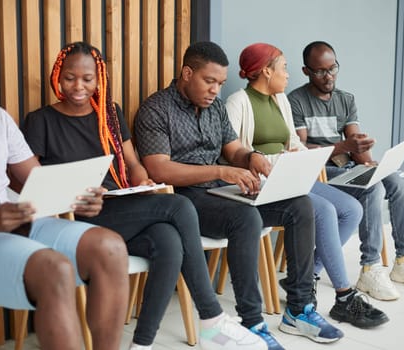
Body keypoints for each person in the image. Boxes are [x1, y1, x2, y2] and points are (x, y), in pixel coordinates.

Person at [22, 41, 268, 350]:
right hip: (77, 216)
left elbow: (133, 163)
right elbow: (32, 182)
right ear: (58, 75)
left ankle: (142, 344)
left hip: (118, 207)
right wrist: (71, 194)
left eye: (87, 78)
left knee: (168, 241)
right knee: (178, 206)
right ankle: (211, 318)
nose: (78, 86)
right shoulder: (40, 121)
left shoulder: (110, 114)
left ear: (99, 79)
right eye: (70, 77)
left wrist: (142, 179)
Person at [134, 40, 345, 347]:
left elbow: (233, 149)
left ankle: (299, 310)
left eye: (220, 83)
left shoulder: (215, 107)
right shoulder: (156, 109)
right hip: (183, 200)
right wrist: (221, 171)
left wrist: (250, 158)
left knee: (299, 206)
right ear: (187, 73)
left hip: (220, 191)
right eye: (209, 82)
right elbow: (159, 170)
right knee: (245, 218)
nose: (215, 91)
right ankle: (252, 322)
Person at [0, 29, 129, 350]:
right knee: (56, 269)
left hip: (21, 226)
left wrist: (79, 198)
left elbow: (38, 181)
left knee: (110, 247)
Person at [225, 42, 388, 329]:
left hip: (291, 176)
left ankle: (308, 275)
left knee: (351, 209)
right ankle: (344, 297)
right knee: (323, 210)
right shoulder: (238, 102)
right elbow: (233, 152)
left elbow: (295, 142)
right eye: (283, 68)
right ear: (265, 71)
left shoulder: (280, 100)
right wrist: (275, 159)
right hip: (262, 184)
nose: (287, 75)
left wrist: (298, 155)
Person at [288, 40, 404, 301]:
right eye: (320, 71)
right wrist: (344, 146)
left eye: (333, 68)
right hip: (321, 172)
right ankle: (370, 267)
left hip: (349, 166)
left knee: (400, 179)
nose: (328, 76)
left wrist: (367, 155)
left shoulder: (346, 99)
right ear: (306, 70)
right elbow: (301, 149)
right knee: (371, 187)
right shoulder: (296, 100)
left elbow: (357, 146)